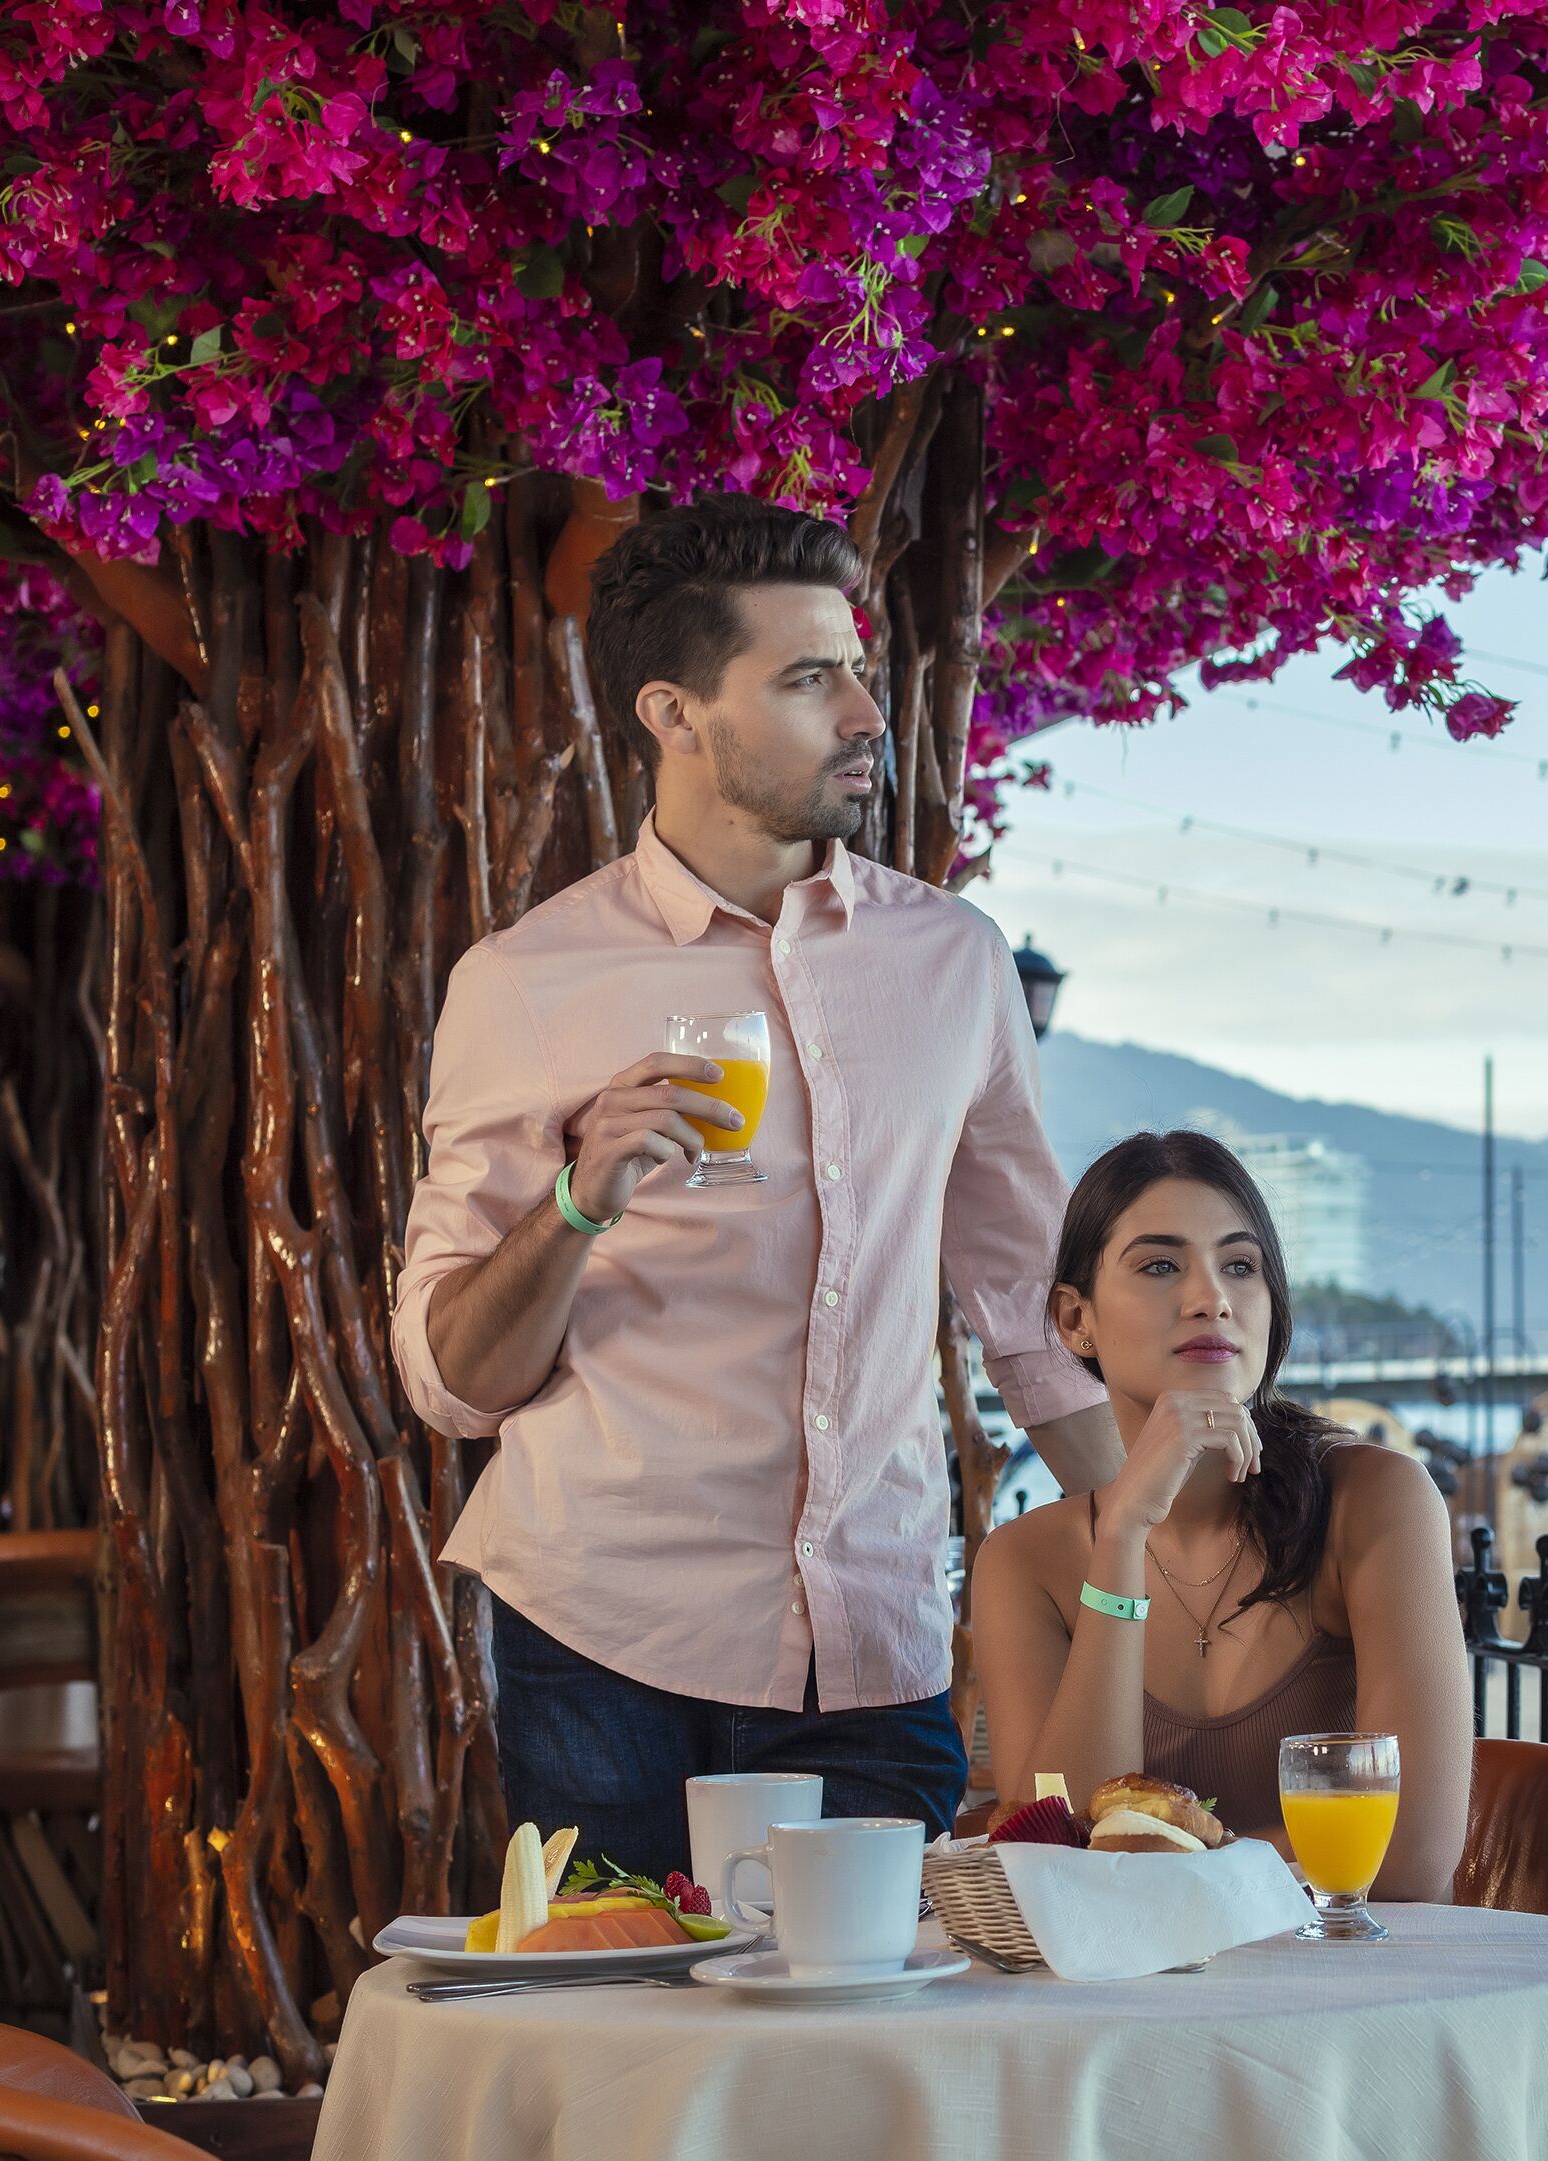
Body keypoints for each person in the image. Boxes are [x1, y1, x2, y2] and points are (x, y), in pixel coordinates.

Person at [392, 497, 1120, 1880]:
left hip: (875, 1636)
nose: (863, 710)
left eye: (855, 666)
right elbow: (451, 1383)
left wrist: (1177, 1550)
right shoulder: (526, 981)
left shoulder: (951, 961)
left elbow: (1025, 1299)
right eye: (806, 679)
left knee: (869, 2072)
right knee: (632, 2063)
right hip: (604, 1636)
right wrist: (577, 1204)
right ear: (672, 712)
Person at [969, 1131, 1470, 1902]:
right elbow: (1059, 1859)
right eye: (1160, 1266)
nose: (1213, 1297)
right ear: (1075, 1321)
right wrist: (1123, 1533)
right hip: (1126, 2003)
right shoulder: (1024, 1563)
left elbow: (1406, 1863)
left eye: (1241, 1265)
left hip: (1345, 1991)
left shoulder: (1376, 1503)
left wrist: (1159, 1857)